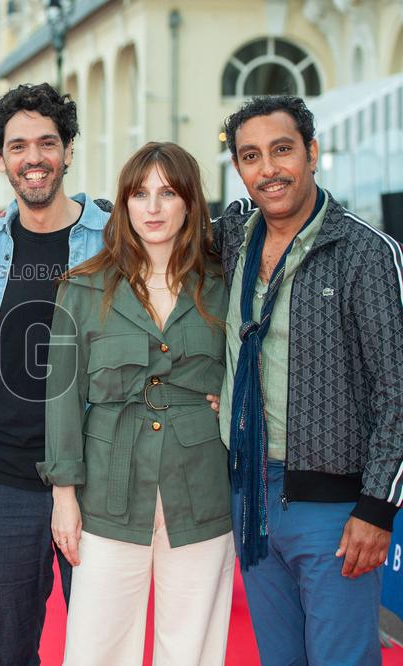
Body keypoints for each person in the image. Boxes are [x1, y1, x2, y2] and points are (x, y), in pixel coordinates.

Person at [213, 95, 403, 665]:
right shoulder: (234, 240)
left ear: (312, 152)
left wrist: (376, 509)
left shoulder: (365, 253)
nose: (268, 169)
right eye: (251, 156)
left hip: (335, 506)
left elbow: (397, 392)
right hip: (250, 495)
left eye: (282, 150)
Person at [45, 142, 234, 664]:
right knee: (95, 647)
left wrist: (228, 398)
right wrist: (65, 496)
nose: (153, 207)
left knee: (191, 647)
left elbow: (254, 369)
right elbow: (60, 399)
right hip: (108, 490)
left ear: (190, 203)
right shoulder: (81, 289)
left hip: (200, 488)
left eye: (168, 193)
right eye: (140, 193)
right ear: (123, 204)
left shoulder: (223, 285)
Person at [0, 82, 110, 665]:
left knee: (100, 644)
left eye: (46, 143)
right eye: (18, 146)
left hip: (98, 476)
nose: (32, 158)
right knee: (11, 648)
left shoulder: (113, 240)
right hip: (1, 479)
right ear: (1, 158)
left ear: (67, 150)